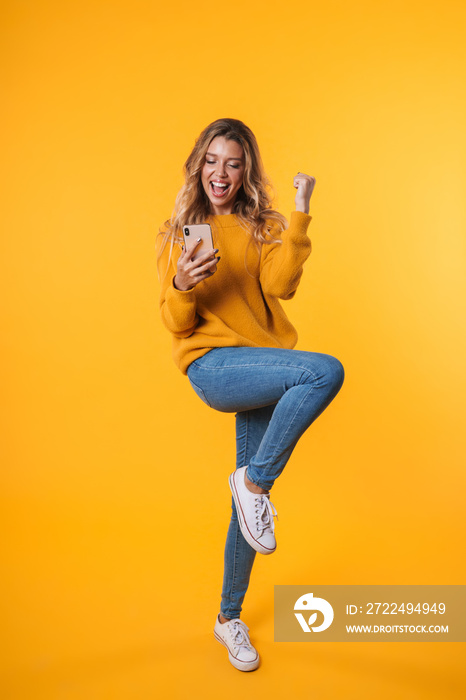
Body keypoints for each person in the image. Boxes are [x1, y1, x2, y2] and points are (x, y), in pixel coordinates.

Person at [156, 118, 344, 672]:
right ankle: (255, 482)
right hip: (213, 365)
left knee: (246, 515)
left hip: (263, 365)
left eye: (233, 163)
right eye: (212, 161)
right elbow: (174, 320)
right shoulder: (178, 232)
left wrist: (301, 211)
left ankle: (227, 618)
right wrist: (183, 284)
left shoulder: (261, 226)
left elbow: (281, 285)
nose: (221, 173)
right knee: (323, 371)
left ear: (245, 171)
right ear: (199, 165)